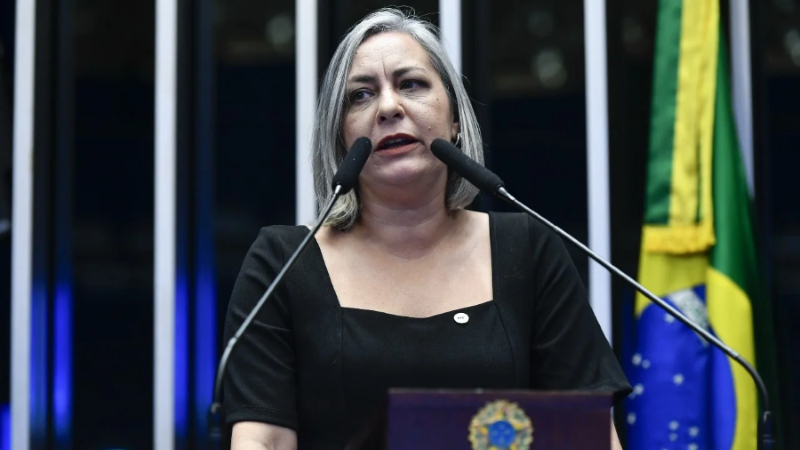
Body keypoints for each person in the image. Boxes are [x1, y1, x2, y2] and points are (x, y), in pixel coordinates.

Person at [223, 8, 631, 450]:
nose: (387, 107)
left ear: (455, 120)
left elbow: (592, 436)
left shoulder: (528, 251)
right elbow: (261, 441)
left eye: (411, 84)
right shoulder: (284, 263)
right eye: (360, 95)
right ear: (341, 139)